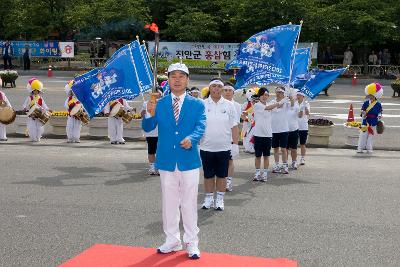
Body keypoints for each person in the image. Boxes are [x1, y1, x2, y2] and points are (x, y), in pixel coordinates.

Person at [142, 63, 206, 259]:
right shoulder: (159, 103)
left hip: (189, 160)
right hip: (167, 160)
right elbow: (147, 127)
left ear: (187, 80)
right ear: (168, 80)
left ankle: (192, 242)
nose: (177, 80)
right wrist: (149, 112)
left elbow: (201, 125)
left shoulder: (197, 104)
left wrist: (192, 138)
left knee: (188, 202)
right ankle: (172, 240)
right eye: (173, 76)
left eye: (181, 76)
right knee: (169, 202)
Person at [200, 78, 239, 211]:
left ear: (222, 89)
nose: (216, 89)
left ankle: (220, 199)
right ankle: (209, 198)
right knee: (208, 175)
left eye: (219, 86)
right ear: (209, 88)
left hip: (224, 147)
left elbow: (234, 126)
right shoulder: (202, 104)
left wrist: (235, 144)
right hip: (206, 146)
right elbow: (197, 125)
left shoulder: (229, 105)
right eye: (214, 86)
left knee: (222, 175)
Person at [252, 87, 281, 181]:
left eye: (267, 95)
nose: (265, 97)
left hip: (268, 134)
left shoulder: (270, 104)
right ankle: (257, 173)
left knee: (266, 156)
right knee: (258, 156)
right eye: (263, 95)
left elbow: (278, 107)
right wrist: (279, 103)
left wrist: (285, 98)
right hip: (258, 134)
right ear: (259, 96)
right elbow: (268, 108)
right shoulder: (257, 105)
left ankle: (264, 173)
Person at [222, 82, 241, 191]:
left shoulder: (237, 106)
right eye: (225, 90)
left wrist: (235, 142)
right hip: (219, 137)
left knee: (229, 160)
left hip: (229, 138)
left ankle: (228, 181)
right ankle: (221, 180)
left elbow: (236, 125)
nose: (228, 92)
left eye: (230, 90)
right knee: (219, 161)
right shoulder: (219, 103)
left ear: (233, 92)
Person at [271, 86, 294, 174]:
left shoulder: (286, 102)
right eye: (277, 92)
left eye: (281, 92)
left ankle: (285, 165)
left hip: (284, 129)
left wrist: (291, 97)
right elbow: (277, 106)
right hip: (274, 129)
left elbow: (292, 105)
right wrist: (282, 101)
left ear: (283, 93)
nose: (279, 94)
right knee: (275, 149)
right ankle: (277, 165)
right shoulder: (272, 102)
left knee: (284, 149)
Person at [357, 83, 383, 153]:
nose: (371, 97)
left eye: (372, 95)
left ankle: (369, 148)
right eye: (370, 95)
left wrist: (379, 115)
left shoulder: (378, 104)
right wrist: (363, 112)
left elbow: (380, 111)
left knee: (371, 136)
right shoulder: (365, 103)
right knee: (363, 135)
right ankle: (360, 148)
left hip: (374, 122)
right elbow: (362, 109)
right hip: (365, 121)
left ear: (376, 95)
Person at [141, 94, 160, 175]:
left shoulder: (163, 103)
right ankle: (152, 167)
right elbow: (142, 114)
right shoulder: (146, 103)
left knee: (159, 150)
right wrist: (147, 111)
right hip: (151, 131)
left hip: (161, 131)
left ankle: (158, 167)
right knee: (152, 150)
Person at [286, 89, 300, 170]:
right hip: (285, 130)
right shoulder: (285, 104)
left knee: (294, 148)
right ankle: (285, 162)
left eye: (292, 96)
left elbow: (299, 115)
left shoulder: (297, 105)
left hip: (294, 129)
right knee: (285, 149)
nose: (290, 98)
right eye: (289, 96)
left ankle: (294, 162)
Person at [297, 91, 310, 165]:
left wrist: (305, 107)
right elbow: (299, 115)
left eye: (300, 95)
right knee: (293, 145)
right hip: (295, 126)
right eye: (297, 95)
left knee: (302, 144)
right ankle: (294, 160)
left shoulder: (306, 103)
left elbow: (308, 113)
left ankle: (302, 158)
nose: (298, 96)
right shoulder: (294, 103)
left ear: (303, 97)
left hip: (303, 127)